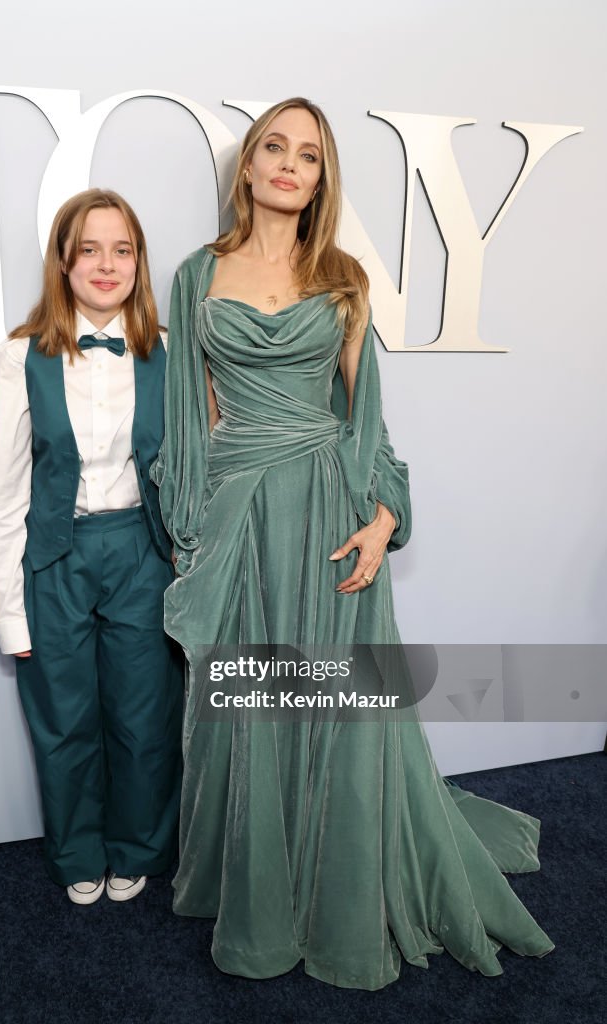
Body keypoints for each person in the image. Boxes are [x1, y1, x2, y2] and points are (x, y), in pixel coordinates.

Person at [151, 98, 554, 988]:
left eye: (309, 155)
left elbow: (364, 414)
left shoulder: (342, 279)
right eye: (274, 147)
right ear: (248, 165)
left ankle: (339, 887)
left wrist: (384, 517)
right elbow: (191, 415)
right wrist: (194, 531)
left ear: (320, 179)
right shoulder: (195, 275)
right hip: (243, 517)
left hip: (331, 513)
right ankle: (262, 891)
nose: (289, 165)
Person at [0, 188, 182, 906]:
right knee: (64, 720)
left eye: (122, 250)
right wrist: (9, 613)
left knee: (143, 717)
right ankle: (76, 853)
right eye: (89, 249)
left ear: (139, 261)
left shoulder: (168, 349)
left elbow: (196, 468)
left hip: (142, 553)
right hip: (55, 558)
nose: (106, 264)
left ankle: (139, 847)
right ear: (63, 262)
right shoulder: (21, 354)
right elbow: (4, 493)